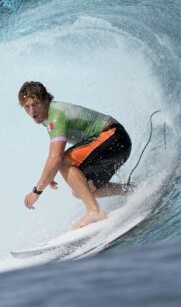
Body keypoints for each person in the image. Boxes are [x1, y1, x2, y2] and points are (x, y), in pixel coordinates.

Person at [18, 81, 133, 229]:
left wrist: (36, 192)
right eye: (27, 107)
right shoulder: (48, 117)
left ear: (46, 99)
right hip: (118, 143)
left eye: (36, 104)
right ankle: (131, 190)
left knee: (64, 161)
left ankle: (94, 211)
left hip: (114, 136)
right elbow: (55, 153)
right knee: (83, 189)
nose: (32, 111)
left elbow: (57, 157)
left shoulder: (55, 115)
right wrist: (51, 173)